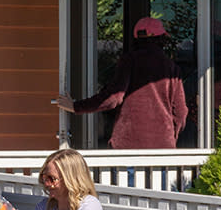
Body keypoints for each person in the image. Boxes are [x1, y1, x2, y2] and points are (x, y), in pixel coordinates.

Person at [57, 17, 188, 149]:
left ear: (136, 39)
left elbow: (113, 98)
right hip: (163, 147)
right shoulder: (172, 68)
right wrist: (170, 135)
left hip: (128, 145)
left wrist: (75, 107)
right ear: (161, 39)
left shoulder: (129, 61)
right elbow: (181, 112)